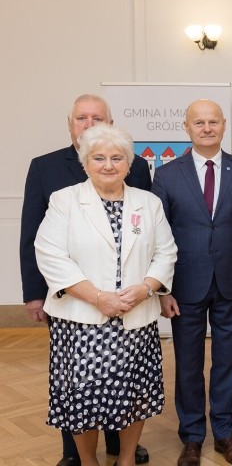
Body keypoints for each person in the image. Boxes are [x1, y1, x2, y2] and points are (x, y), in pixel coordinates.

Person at [20, 94, 153, 466]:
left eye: (98, 117)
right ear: (70, 123)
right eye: (82, 118)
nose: (90, 124)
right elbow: (34, 236)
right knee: (77, 382)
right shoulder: (45, 168)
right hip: (74, 302)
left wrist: (147, 286)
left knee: (123, 378)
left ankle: (119, 446)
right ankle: (74, 454)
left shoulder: (137, 167)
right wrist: (34, 294)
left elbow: (149, 234)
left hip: (129, 303)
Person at [153, 99, 232, 466]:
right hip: (183, 286)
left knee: (228, 361)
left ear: (223, 125)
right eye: (199, 122)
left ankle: (224, 433)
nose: (206, 128)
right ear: (186, 127)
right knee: (188, 363)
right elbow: (158, 237)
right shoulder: (167, 175)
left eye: (213, 122)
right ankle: (191, 437)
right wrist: (163, 290)